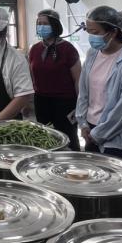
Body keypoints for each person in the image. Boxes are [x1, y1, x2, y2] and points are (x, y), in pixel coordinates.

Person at [75, 5, 122, 163]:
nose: (91, 37)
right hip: (90, 131)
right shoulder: (92, 54)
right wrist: (83, 124)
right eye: (89, 32)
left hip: (118, 139)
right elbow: (84, 92)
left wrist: (99, 134)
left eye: (96, 32)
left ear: (113, 32)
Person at [28, 9, 81, 151]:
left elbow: (78, 79)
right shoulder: (35, 49)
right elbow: (31, 76)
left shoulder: (68, 49)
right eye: (39, 23)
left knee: (68, 137)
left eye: (45, 23)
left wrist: (80, 105)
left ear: (55, 25)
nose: (41, 26)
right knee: (45, 137)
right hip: (41, 101)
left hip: (65, 102)